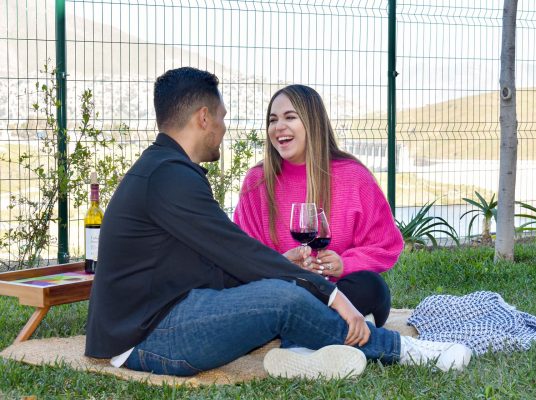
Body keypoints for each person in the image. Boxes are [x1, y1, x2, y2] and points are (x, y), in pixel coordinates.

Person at [84, 67, 472, 379]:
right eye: (221, 118)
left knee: (293, 291)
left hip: (163, 316)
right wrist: (332, 296)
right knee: (284, 298)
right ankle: (405, 350)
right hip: (150, 337)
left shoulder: (165, 170)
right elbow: (239, 252)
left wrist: (294, 273)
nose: (223, 128)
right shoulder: (168, 177)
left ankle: (313, 350)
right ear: (203, 118)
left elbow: (223, 260)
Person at [234, 84, 403, 328]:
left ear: (312, 122)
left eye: (290, 117)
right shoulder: (257, 181)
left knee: (372, 287)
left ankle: (305, 334)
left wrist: (345, 264)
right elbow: (243, 255)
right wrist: (283, 264)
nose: (278, 127)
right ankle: (325, 333)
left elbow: (386, 244)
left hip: (342, 292)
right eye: (272, 120)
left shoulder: (354, 177)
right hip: (285, 294)